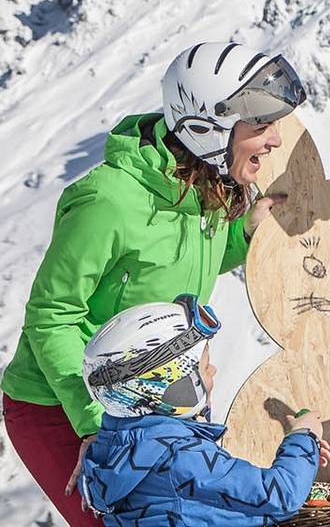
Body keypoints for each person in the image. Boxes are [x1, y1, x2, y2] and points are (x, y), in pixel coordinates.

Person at [0, 41, 305, 526]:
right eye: (261, 126)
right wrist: (96, 424)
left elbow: (177, 265)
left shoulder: (205, 184)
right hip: (63, 404)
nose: (274, 140)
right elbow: (51, 315)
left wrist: (244, 235)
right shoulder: (108, 202)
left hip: (156, 402)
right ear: (207, 128)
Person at [78, 294, 330, 526]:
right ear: (172, 387)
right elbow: (281, 496)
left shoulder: (113, 447)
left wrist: (305, 459)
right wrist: (303, 437)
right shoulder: (181, 457)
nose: (213, 370)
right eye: (204, 366)